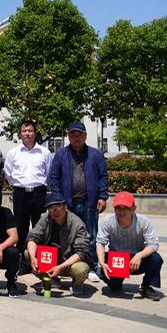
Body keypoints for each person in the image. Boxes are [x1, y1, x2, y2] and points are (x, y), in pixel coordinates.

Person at [48, 121, 108, 283]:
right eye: (73, 134)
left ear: (85, 136)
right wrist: (59, 201)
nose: (76, 137)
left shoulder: (95, 155)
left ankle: (92, 266)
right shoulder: (61, 155)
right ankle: (65, 266)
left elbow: (103, 177)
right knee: (66, 235)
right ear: (68, 136)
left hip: (89, 203)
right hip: (67, 204)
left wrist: (102, 196)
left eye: (79, 134)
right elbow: (54, 178)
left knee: (91, 236)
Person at [4, 120, 52, 272]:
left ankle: (40, 261)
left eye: (30, 131)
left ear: (35, 133)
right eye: (24, 131)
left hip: (39, 193)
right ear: (20, 134)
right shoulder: (13, 153)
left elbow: (48, 173)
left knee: (40, 225)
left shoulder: (44, 152)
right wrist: (19, 185)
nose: (27, 134)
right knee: (20, 226)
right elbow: (8, 173)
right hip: (20, 193)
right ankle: (23, 262)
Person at [96, 191, 163, 300]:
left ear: (133, 208)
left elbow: (154, 244)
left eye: (126, 208)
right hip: (117, 259)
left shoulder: (143, 221)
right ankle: (115, 281)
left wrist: (139, 255)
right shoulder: (107, 221)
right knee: (113, 286)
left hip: (136, 260)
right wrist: (102, 262)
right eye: (118, 208)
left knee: (156, 259)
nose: (121, 211)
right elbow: (100, 243)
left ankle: (146, 287)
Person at [26, 192, 92, 296]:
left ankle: (77, 284)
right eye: (51, 207)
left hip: (70, 262)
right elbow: (32, 238)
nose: (55, 210)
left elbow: (81, 252)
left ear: (65, 206)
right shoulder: (45, 218)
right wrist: (33, 258)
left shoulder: (77, 223)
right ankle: (50, 280)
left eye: (58, 206)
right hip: (50, 259)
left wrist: (60, 267)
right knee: (28, 253)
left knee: (80, 270)